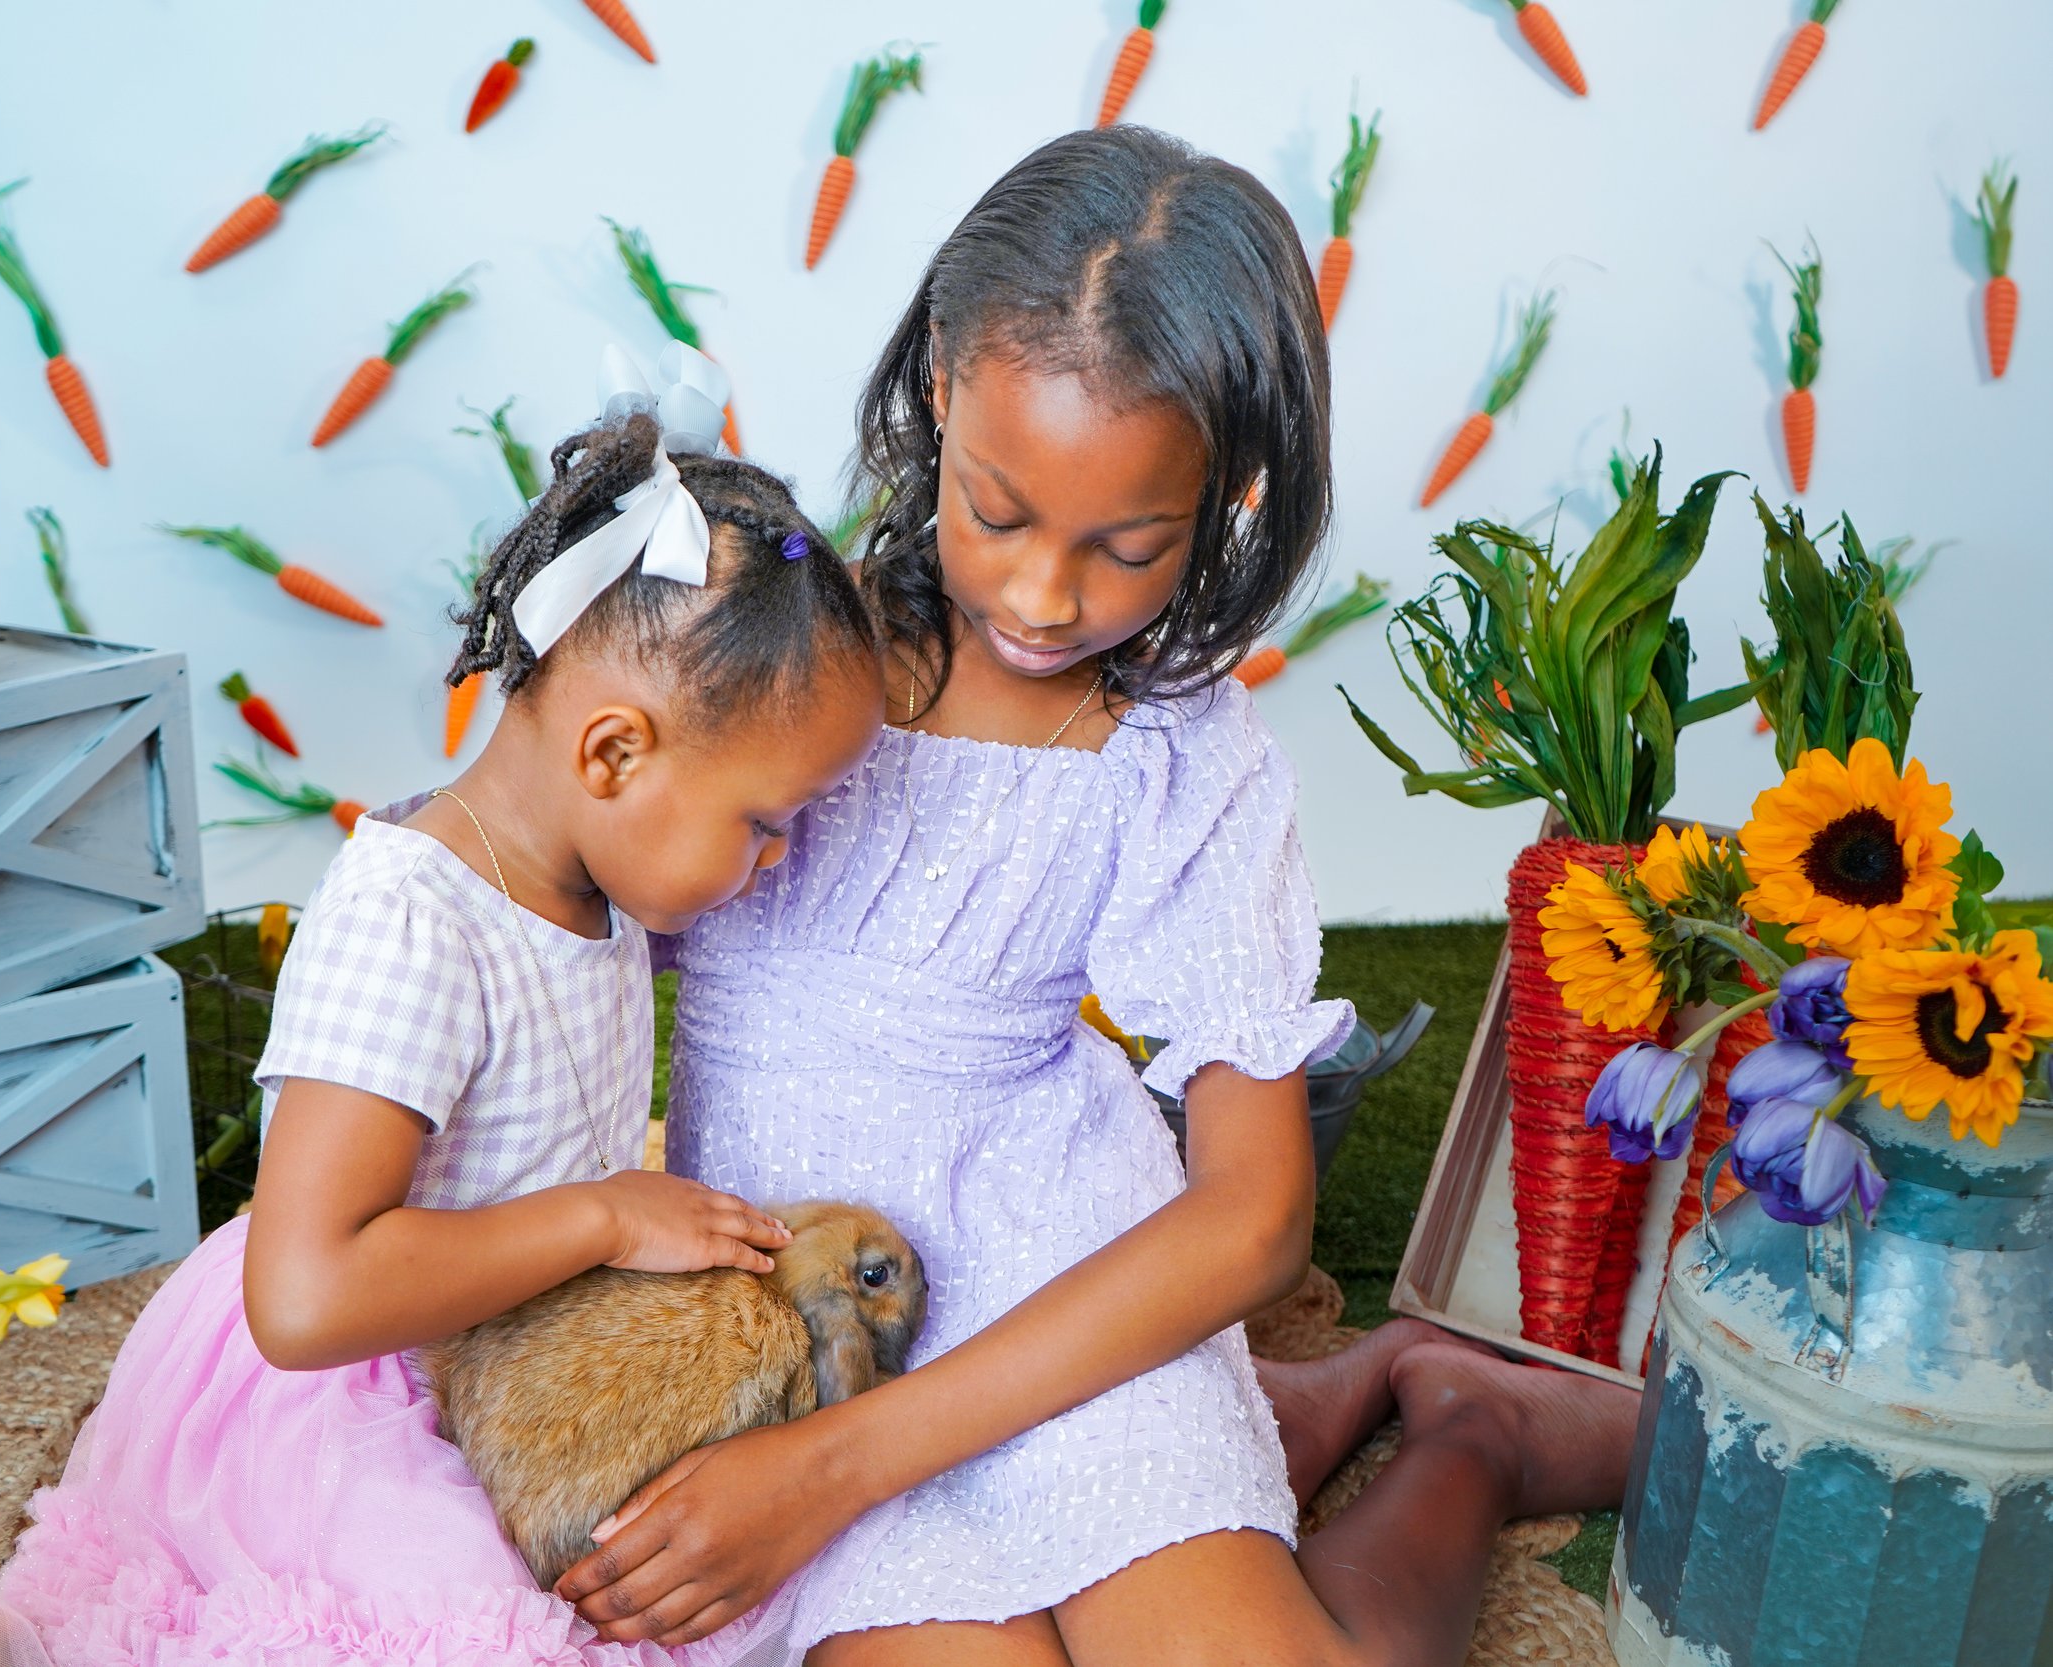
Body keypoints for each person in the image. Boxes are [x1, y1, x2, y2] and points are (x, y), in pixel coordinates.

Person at [563, 127, 1640, 1667]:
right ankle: (1314, 1404)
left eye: (1128, 545)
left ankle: (1465, 1431)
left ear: (1230, 495)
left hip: (1070, 1287)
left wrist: (830, 1470)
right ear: (939, 383)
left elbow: (1256, 1212)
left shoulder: (1175, 750)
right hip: (820, 1315)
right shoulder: (772, 668)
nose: (1047, 596)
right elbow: (551, 860)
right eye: (999, 511)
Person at [0, 407, 890, 1667]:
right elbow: (305, 1297)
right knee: (451, 1628)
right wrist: (605, 1217)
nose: (776, 858)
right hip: (358, 1386)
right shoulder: (408, 919)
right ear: (616, 750)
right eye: (762, 820)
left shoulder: (592, 871)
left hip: (511, 1353)